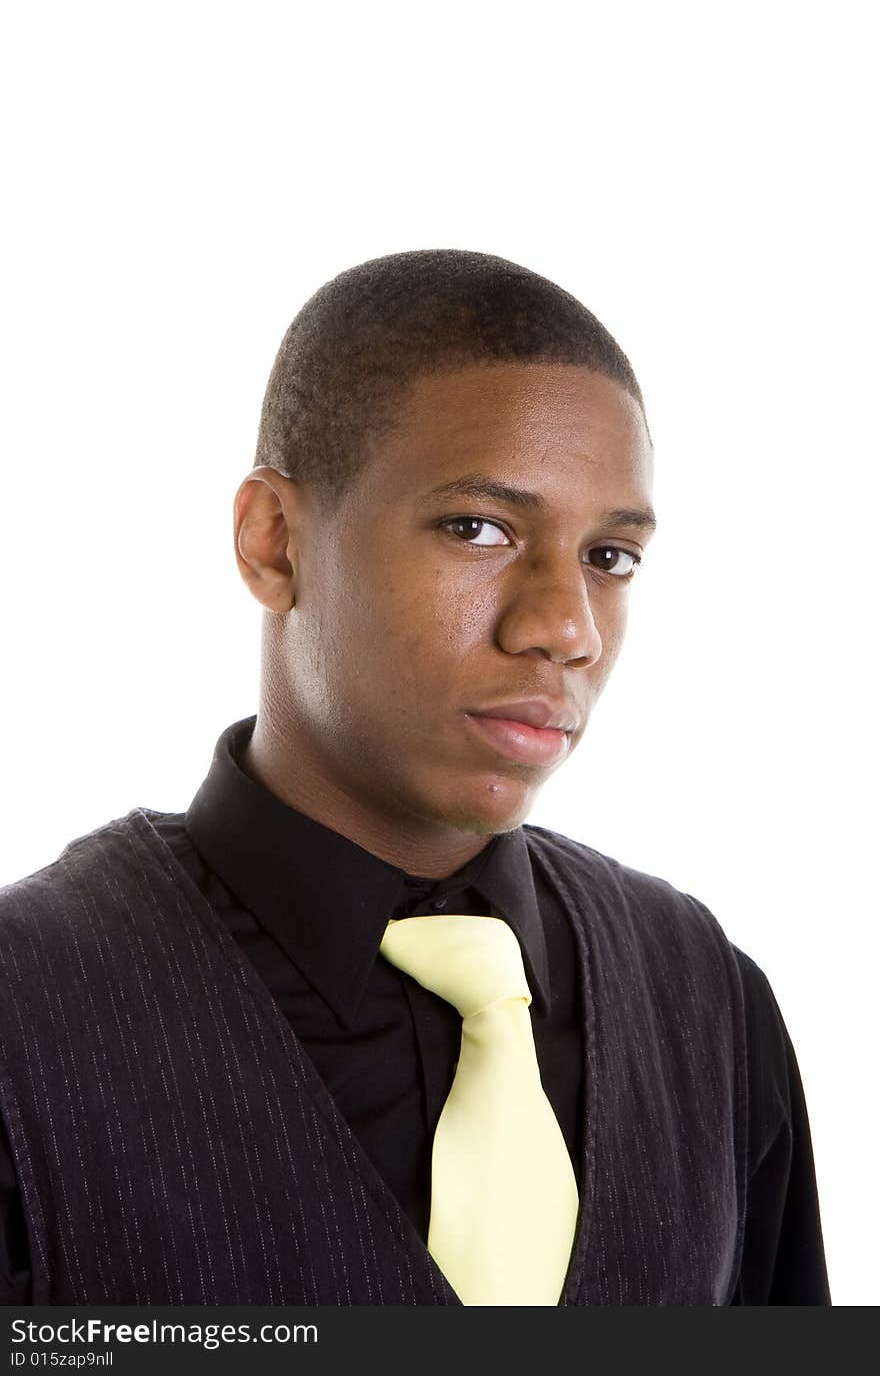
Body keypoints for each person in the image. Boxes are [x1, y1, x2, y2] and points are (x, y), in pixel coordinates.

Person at [0, 250, 830, 1307]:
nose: (563, 628)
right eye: (477, 528)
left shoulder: (709, 1003)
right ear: (273, 542)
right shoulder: (28, 1015)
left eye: (609, 557)